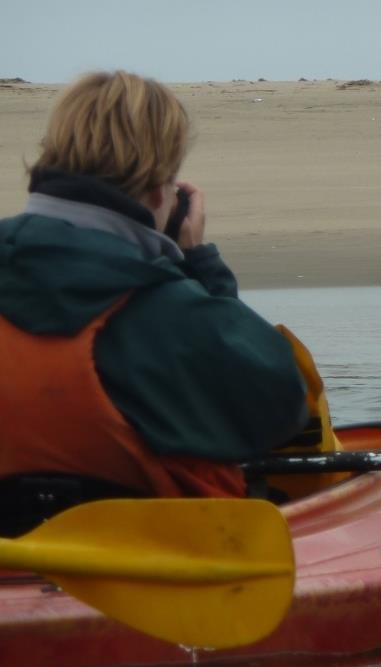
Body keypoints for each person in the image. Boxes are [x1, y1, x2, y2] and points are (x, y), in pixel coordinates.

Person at [0, 70, 324, 535]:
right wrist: (196, 264)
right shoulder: (163, 306)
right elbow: (275, 414)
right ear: (160, 191)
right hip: (142, 565)